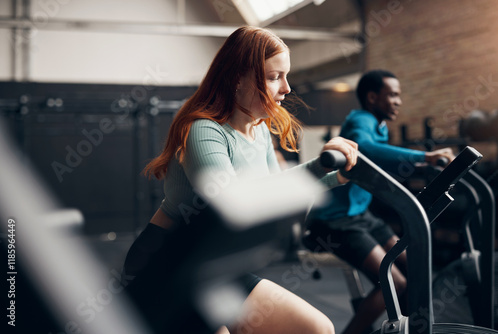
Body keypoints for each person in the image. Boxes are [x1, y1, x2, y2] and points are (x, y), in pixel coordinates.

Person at [122, 26, 358, 334]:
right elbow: (232, 202)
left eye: (286, 76)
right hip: (164, 262)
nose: (286, 88)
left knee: (316, 328)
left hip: (212, 262)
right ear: (237, 78)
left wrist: (334, 175)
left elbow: (278, 190)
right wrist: (318, 168)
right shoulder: (203, 130)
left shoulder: (259, 128)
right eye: (274, 77)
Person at [305, 69, 455, 334]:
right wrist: (425, 156)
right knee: (395, 284)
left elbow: (383, 162)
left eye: (399, 95)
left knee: (415, 265)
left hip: (361, 216)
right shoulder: (360, 120)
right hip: (335, 221)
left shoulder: (380, 125)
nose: (398, 101)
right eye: (392, 95)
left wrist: (421, 165)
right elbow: (364, 147)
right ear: (372, 98)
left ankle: (412, 330)